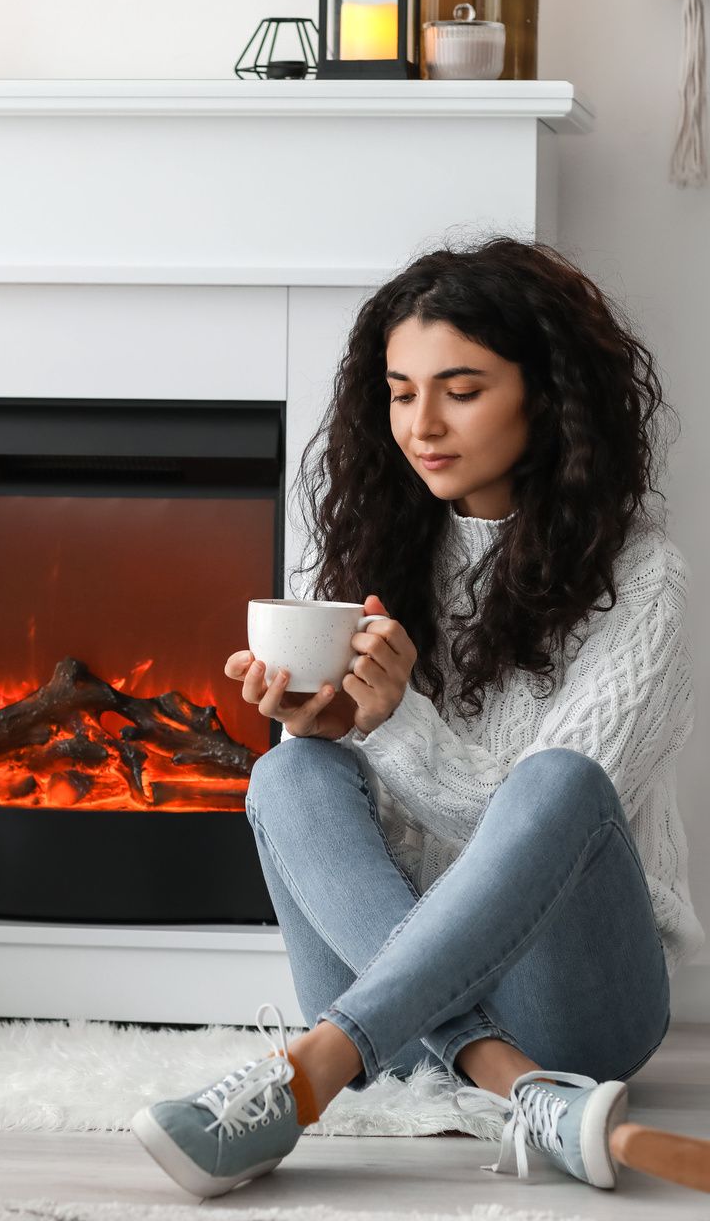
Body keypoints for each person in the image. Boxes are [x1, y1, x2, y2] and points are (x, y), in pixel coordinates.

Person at [130, 235, 703, 1199]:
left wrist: (392, 721)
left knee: (559, 780)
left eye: (462, 389)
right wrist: (319, 724)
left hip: (578, 1003)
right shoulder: (378, 553)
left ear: (549, 394)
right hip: (400, 994)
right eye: (400, 391)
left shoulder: (646, 583)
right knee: (288, 773)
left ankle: (312, 1071)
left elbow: (543, 837)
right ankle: (515, 1087)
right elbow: (344, 805)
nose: (421, 424)